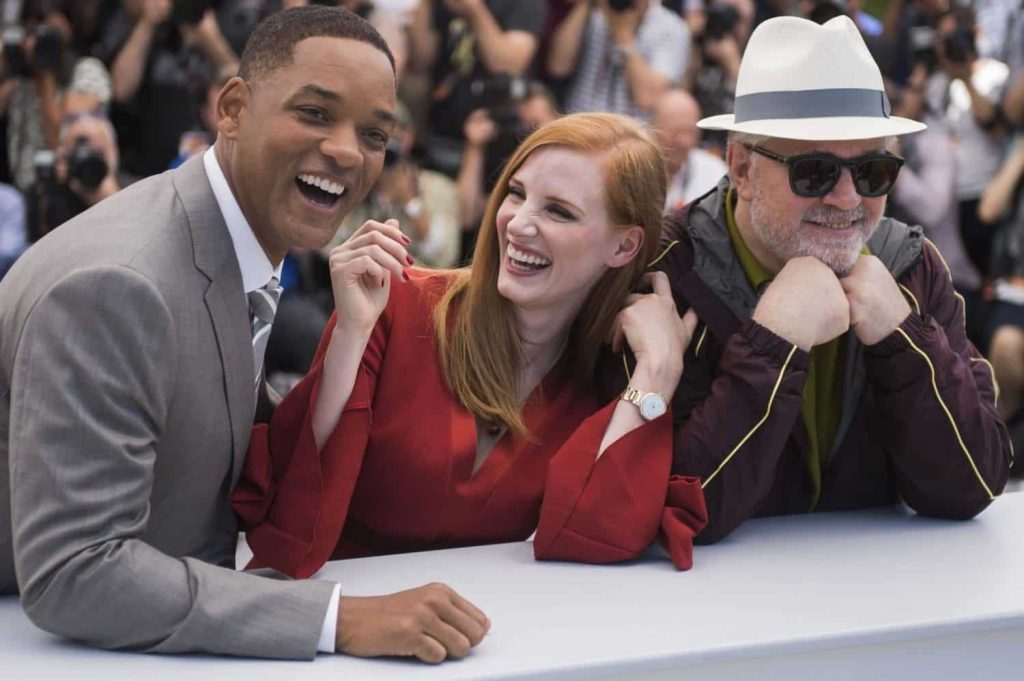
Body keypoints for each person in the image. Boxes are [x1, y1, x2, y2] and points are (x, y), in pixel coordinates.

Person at [0, 6, 404, 660]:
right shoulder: (119, 284)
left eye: (375, 134)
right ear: (234, 109)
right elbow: (76, 571)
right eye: (314, 113)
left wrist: (352, 339)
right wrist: (337, 621)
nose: (346, 151)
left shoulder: (227, 244)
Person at [232, 113, 709, 661]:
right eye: (516, 194)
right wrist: (351, 335)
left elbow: (595, 540)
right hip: (325, 638)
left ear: (623, 247)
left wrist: (657, 374)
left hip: (472, 650)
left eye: (558, 211)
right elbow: (290, 520)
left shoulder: (603, 378)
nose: (518, 223)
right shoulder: (393, 302)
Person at [631, 15, 1011, 544]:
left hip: (880, 591)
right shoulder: (666, 272)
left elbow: (973, 484)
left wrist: (902, 338)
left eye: (874, 171)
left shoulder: (910, 264)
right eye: (815, 171)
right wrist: (772, 343)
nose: (848, 198)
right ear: (741, 168)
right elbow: (676, 511)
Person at [548, 0, 689, 120]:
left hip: (630, 132)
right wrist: (585, 5)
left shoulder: (671, 27)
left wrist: (623, 35)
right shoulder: (596, 16)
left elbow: (647, 98)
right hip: (579, 121)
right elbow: (558, 67)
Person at [652, 88, 727, 211]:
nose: (685, 142)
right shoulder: (634, 172)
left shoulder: (714, 171)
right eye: (676, 132)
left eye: (691, 132)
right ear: (653, 130)